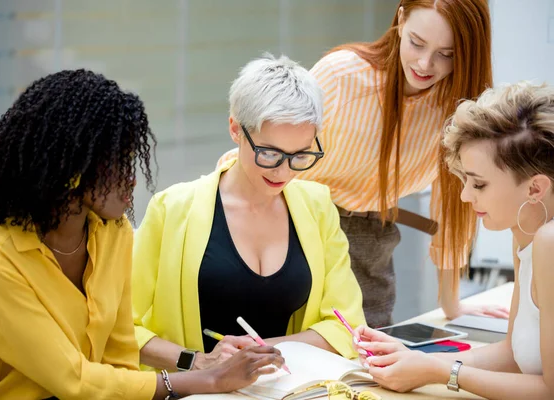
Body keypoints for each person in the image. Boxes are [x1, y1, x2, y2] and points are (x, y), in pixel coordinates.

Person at [0, 69, 284, 400]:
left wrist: (199, 367)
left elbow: (120, 351)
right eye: (119, 163)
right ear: (72, 171)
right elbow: (73, 380)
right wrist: (208, 379)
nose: (132, 179)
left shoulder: (112, 232)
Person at [217, 0, 505, 327]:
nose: (425, 64)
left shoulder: (455, 107)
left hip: (371, 240)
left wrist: (452, 304)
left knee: (367, 358)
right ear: (399, 20)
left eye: (447, 54)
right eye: (416, 43)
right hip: (289, 223)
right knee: (275, 348)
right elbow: (268, 144)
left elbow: (453, 203)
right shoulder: (344, 75)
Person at [132, 54, 365, 373]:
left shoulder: (317, 205)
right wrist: (198, 361)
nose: (284, 171)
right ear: (235, 130)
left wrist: (258, 351)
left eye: (301, 155)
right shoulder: (172, 209)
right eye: (269, 153)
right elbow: (121, 328)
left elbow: (346, 326)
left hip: (285, 389)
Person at [351, 82, 554, 399]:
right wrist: (416, 360)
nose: (464, 195)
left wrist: (439, 372)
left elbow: (548, 390)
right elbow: (512, 356)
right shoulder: (525, 233)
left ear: (535, 189)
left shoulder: (549, 243)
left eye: (479, 184)